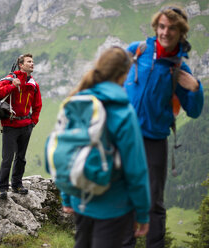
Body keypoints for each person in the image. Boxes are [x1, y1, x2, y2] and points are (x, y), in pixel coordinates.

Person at [123, 6, 204, 248]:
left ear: (181, 32)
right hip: (125, 136)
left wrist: (195, 88)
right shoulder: (138, 50)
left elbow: (195, 111)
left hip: (154, 140)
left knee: (153, 203)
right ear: (156, 27)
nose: (165, 32)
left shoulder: (179, 69)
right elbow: (111, 77)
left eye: (171, 28)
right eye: (161, 26)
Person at [61, 46, 151, 248]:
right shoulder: (124, 112)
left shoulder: (78, 100)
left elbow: (67, 153)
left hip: (81, 199)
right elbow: (136, 170)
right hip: (113, 206)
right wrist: (143, 214)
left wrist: (67, 196)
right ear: (124, 74)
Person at [0, 53, 42, 199]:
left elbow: (37, 105)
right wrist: (12, 86)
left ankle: (17, 185)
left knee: (21, 157)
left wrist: (33, 121)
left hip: (26, 125)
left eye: (33, 61)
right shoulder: (9, 79)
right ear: (21, 65)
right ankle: (2, 188)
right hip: (10, 125)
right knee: (7, 158)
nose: (32, 64)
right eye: (29, 61)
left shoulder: (33, 84)